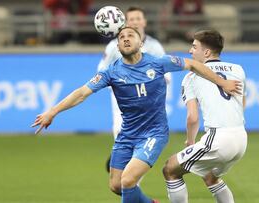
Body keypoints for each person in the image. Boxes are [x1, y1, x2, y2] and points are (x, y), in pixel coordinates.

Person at [32, 27, 241, 202]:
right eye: (121, 37)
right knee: (116, 186)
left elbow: (194, 65)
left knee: (128, 181)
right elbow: (81, 93)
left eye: (130, 36)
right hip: (127, 135)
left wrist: (222, 82)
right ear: (118, 46)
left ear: (141, 43)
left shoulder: (158, 62)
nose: (125, 39)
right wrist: (52, 111)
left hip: (154, 133)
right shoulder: (111, 72)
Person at [162, 30, 247, 203]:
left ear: (206, 52)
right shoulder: (238, 70)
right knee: (210, 177)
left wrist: (190, 141)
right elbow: (242, 102)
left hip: (219, 139)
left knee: (170, 169)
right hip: (241, 138)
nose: (190, 51)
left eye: (194, 47)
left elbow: (192, 117)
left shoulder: (192, 76)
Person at [97, 6, 172, 172]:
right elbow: (102, 70)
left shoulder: (154, 46)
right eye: (131, 19)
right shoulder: (114, 46)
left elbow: (167, 74)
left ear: (144, 21)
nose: (135, 22)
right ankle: (128, 174)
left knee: (145, 139)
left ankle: (129, 175)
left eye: (138, 18)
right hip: (122, 99)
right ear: (125, 22)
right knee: (119, 130)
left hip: (148, 101)